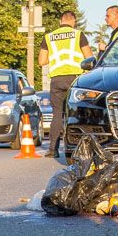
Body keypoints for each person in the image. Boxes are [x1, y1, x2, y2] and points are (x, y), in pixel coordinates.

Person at [38, 11, 93, 159]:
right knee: (78, 112)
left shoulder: (49, 37)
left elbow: (42, 61)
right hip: (75, 80)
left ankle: (52, 150)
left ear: (60, 21)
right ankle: (80, 148)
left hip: (56, 79)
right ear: (73, 21)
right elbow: (90, 58)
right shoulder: (78, 35)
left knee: (57, 115)